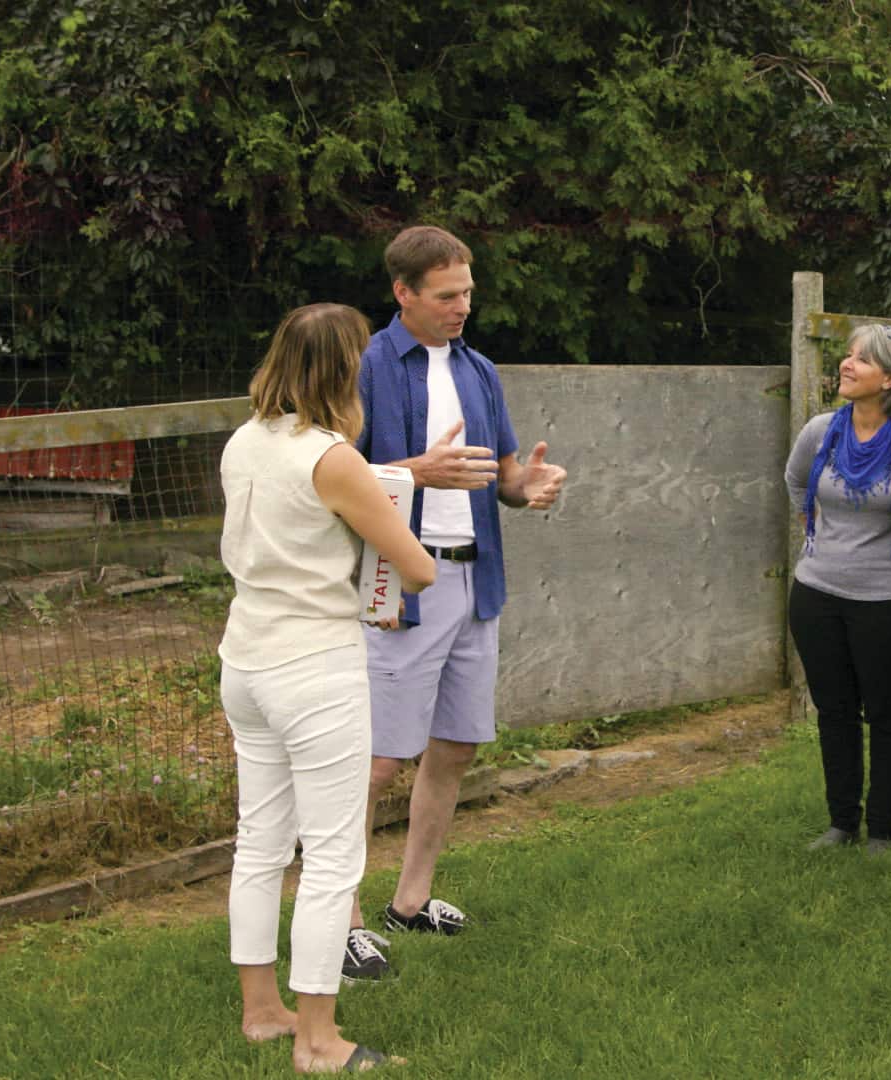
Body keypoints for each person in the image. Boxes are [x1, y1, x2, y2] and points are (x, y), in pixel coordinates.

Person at [342, 225, 567, 981]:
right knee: (376, 763)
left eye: (468, 291)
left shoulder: (481, 371)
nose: (462, 306)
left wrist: (524, 488)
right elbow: (330, 475)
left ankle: (410, 901)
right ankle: (337, 921)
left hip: (476, 583)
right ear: (402, 293)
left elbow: (500, 477)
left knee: (456, 747)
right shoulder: (365, 366)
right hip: (401, 589)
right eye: (447, 295)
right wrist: (417, 470)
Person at [218, 303, 437, 1072]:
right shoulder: (332, 456)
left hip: (244, 661)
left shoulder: (244, 441)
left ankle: (262, 1011)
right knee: (334, 857)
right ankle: (317, 1039)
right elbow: (417, 567)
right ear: (347, 371)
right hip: (314, 669)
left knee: (260, 844)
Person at [785, 323, 891, 855]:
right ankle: (842, 822)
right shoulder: (821, 430)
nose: (846, 364)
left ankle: (884, 830)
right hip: (817, 593)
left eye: (861, 360)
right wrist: (819, 531)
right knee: (835, 710)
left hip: (889, 601)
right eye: (847, 355)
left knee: (888, 713)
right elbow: (797, 481)